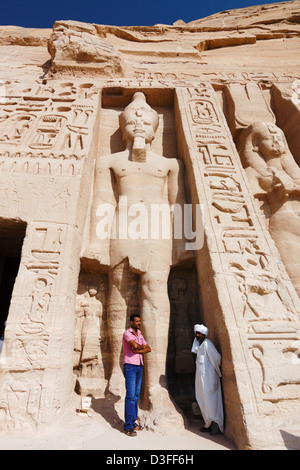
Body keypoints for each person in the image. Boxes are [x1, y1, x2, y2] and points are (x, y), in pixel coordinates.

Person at [191, 324, 224, 435]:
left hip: (210, 379)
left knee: (211, 400)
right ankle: (208, 423)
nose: (197, 335)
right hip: (201, 380)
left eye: (199, 333)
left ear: (204, 334)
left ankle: (215, 424)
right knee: (203, 399)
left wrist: (214, 373)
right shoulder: (200, 346)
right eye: (196, 333)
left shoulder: (207, 344)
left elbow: (217, 358)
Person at [122, 313, 151, 436]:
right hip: (130, 366)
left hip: (139, 365)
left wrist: (139, 349)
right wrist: (139, 347)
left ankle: (133, 422)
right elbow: (134, 345)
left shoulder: (139, 334)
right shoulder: (127, 333)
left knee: (136, 395)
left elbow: (148, 348)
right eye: (137, 321)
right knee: (130, 396)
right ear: (131, 322)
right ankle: (128, 426)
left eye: (140, 321)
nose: (139, 323)